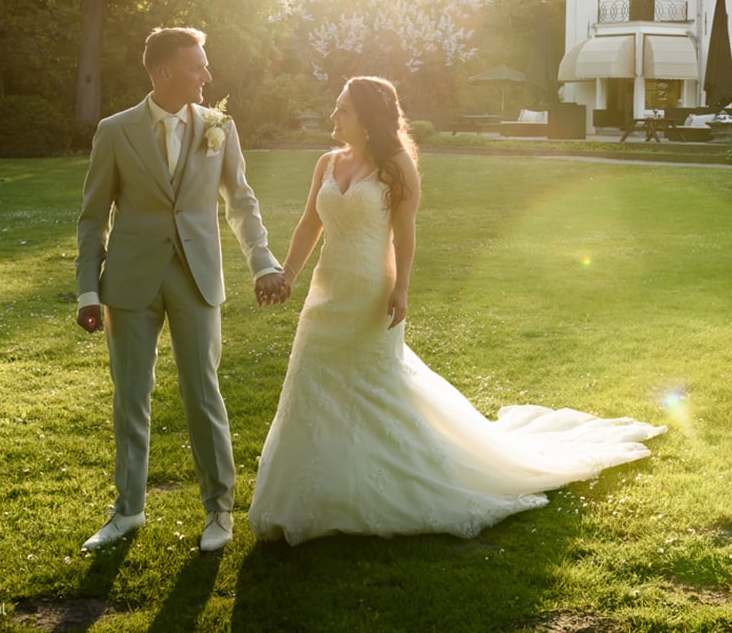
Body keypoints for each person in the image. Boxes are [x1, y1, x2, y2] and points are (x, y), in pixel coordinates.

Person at [248, 76, 664, 545]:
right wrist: (287, 275)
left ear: (367, 118)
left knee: (377, 390)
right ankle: (314, 493)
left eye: (342, 110)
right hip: (325, 295)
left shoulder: (398, 167)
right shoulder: (326, 163)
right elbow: (309, 225)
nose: (333, 117)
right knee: (312, 385)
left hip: (370, 293)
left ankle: (395, 481)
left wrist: (402, 288)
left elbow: (405, 235)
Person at [75, 27, 290, 553]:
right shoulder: (115, 130)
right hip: (128, 282)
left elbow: (241, 201)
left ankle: (219, 512)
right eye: (198, 67)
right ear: (165, 72)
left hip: (197, 277)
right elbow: (92, 216)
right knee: (131, 398)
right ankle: (127, 511)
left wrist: (262, 263)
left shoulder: (219, 126)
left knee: (202, 393)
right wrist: (86, 291)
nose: (208, 76)